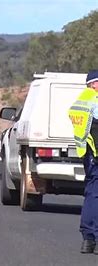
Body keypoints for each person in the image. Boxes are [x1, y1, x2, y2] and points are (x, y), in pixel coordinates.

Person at [68, 69, 98, 254]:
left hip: (87, 154)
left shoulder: (81, 100)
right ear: (95, 83)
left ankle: (88, 239)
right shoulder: (94, 101)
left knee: (91, 195)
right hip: (95, 154)